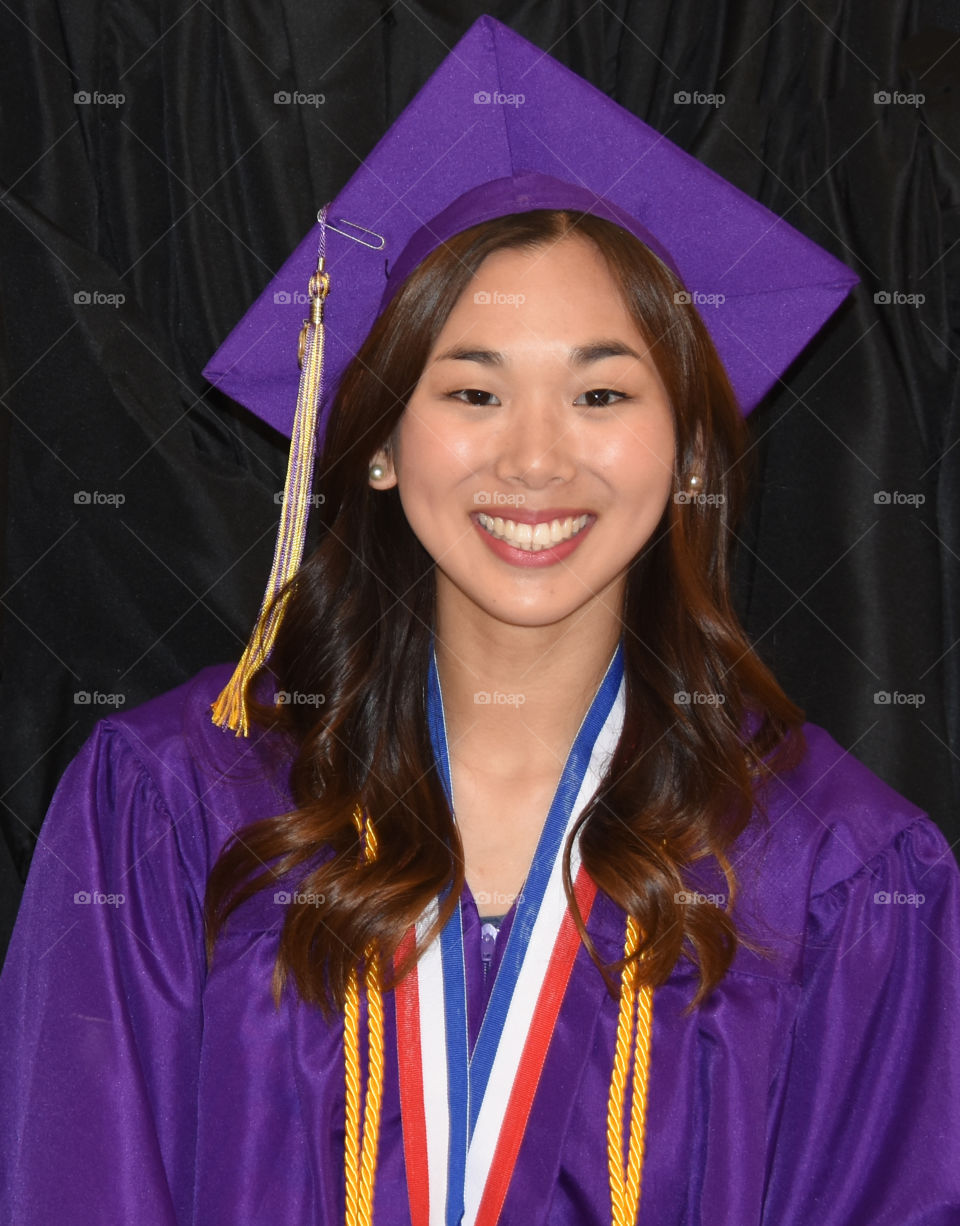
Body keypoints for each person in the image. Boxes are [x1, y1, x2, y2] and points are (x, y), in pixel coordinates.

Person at [2, 15, 959, 1226]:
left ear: (690, 451)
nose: (536, 456)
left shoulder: (834, 873)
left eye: (602, 390)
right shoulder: (173, 813)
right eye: (472, 389)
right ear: (384, 441)